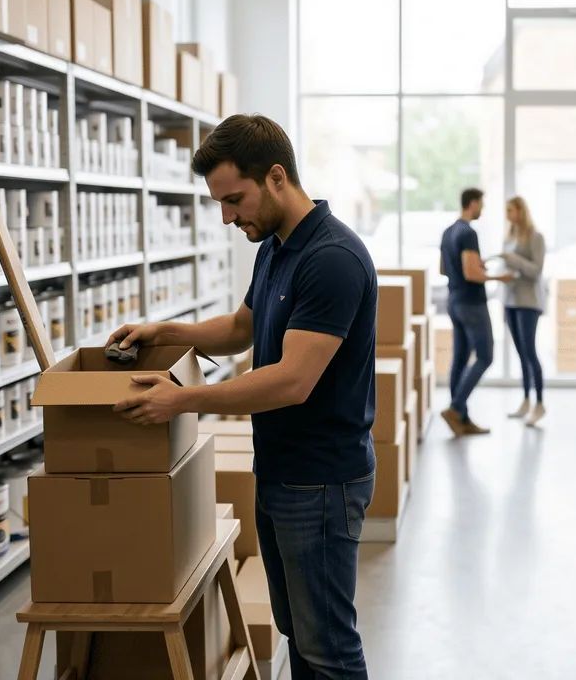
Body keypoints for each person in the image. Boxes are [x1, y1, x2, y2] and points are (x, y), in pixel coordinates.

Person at [107, 114, 376, 680]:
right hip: (282, 470)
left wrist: (182, 399)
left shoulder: (332, 259)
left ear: (276, 177)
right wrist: (166, 332)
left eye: (235, 200)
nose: (228, 217)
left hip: (322, 482)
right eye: (221, 204)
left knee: (327, 647)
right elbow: (241, 328)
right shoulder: (276, 246)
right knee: (299, 635)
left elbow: (290, 380)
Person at [439, 187, 511, 436]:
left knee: (459, 359)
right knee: (485, 356)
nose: (482, 209)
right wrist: (500, 277)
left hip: (454, 300)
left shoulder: (449, 232)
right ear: (472, 204)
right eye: (481, 204)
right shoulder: (468, 233)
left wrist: (473, 267)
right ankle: (456, 408)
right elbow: (471, 273)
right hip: (472, 303)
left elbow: (444, 269)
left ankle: (462, 419)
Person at [500, 196, 547, 426]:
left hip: (528, 303)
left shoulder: (536, 237)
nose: (507, 214)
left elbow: (536, 270)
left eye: (510, 210)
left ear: (521, 211)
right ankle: (526, 400)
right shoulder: (509, 236)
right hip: (510, 300)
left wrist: (514, 260)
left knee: (530, 352)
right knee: (520, 353)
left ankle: (539, 403)